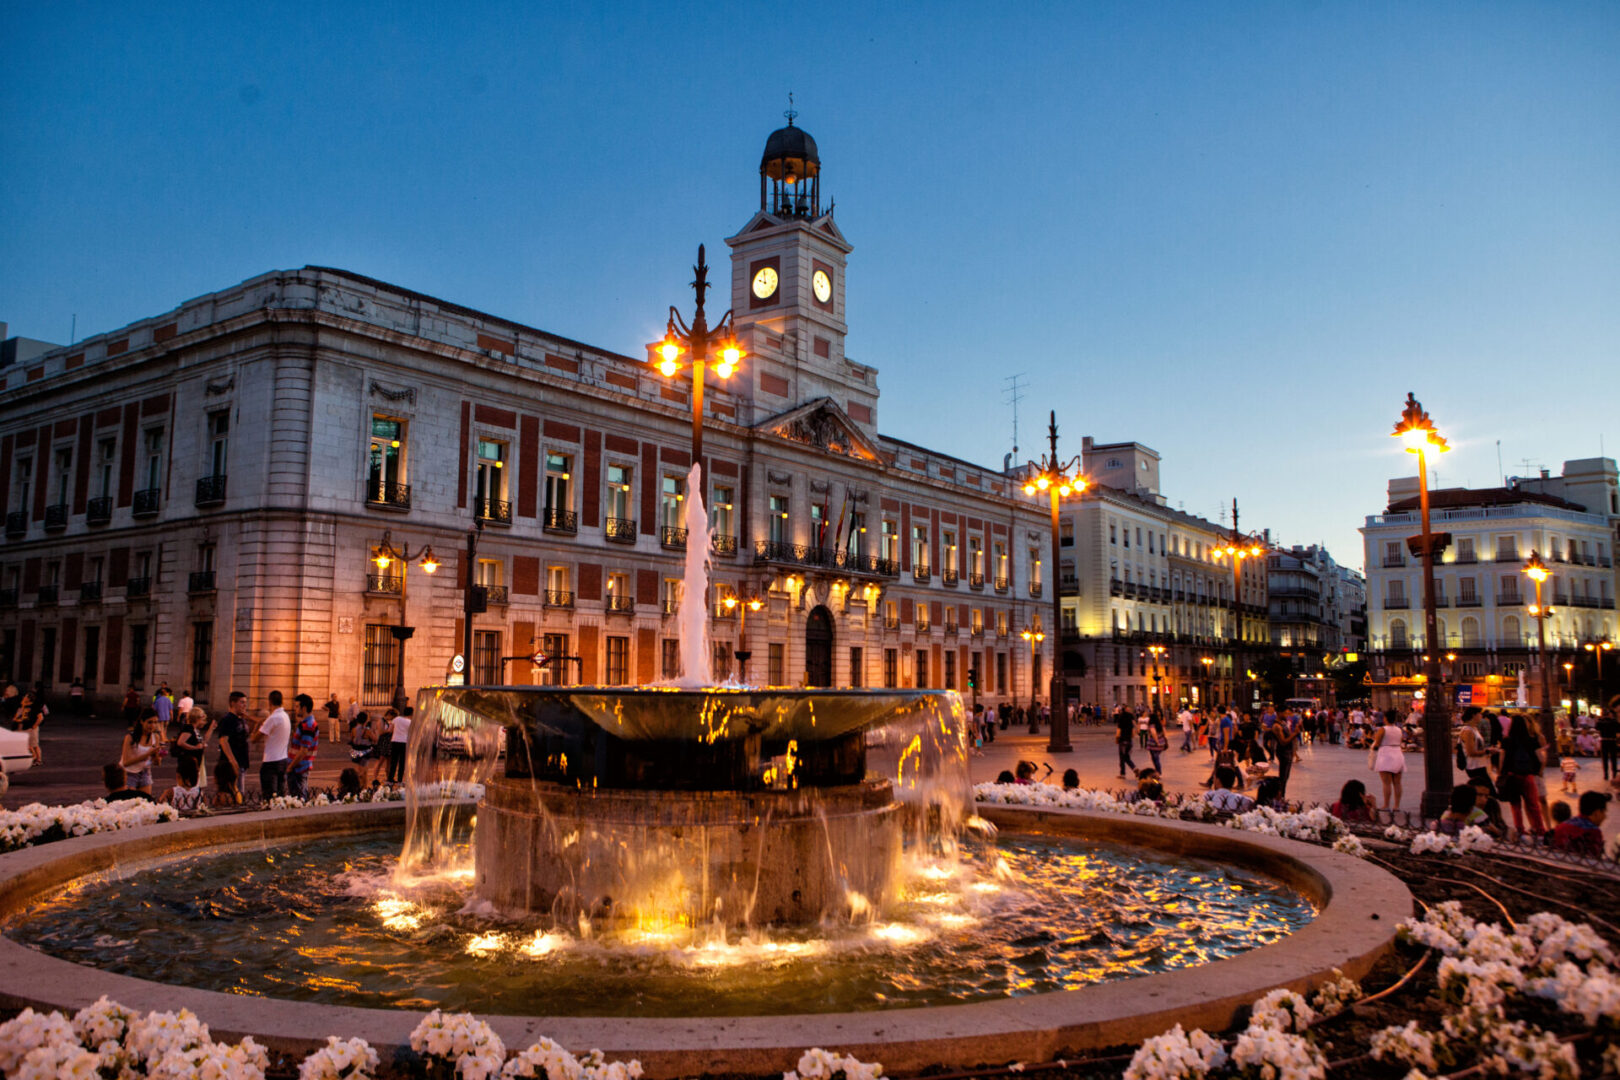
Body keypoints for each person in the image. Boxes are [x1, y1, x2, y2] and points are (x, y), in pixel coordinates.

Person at [1497, 713, 1549, 838]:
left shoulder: (1506, 740)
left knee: (1515, 805)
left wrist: (1501, 773)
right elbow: (1541, 759)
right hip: (1527, 775)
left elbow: (1502, 759)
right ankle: (1540, 830)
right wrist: (1539, 771)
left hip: (1511, 775)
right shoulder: (1531, 740)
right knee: (1533, 804)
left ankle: (1520, 830)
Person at [119, 708, 165, 795]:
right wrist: (147, 754)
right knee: (130, 803)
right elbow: (126, 762)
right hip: (129, 773)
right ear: (142, 721)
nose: (153, 726)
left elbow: (157, 763)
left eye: (156, 722)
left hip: (145, 772)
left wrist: (157, 756)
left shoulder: (156, 737)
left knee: (146, 801)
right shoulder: (130, 737)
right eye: (149, 722)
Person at [1549, 791, 1609, 856]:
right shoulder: (1594, 832)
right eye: (1603, 812)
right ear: (1596, 813)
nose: (1605, 817)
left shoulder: (1562, 826)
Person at [254, 690, 291, 799]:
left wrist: (256, 726)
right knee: (280, 795)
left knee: (269, 795)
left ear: (269, 702)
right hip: (283, 759)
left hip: (270, 761)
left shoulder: (273, 718)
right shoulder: (285, 716)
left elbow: (255, 739)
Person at [1371, 709, 1406, 811]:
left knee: (1386, 782)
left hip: (1386, 754)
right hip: (1397, 752)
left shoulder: (1383, 729)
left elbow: (1377, 743)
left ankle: (1386, 805)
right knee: (1397, 782)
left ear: (1385, 718)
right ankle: (1397, 806)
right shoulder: (1399, 729)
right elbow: (1400, 741)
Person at [287, 693, 320, 799]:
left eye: (297, 706)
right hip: (299, 767)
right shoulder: (306, 724)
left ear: (304, 708)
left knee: (298, 799)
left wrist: (290, 766)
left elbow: (303, 750)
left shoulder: (308, 725)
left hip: (299, 768)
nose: (295, 709)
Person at [172, 706, 211, 791]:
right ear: (197, 718)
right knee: (187, 784)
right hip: (188, 761)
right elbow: (180, 742)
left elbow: (202, 741)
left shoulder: (195, 730)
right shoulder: (188, 729)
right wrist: (194, 747)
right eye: (202, 719)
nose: (204, 722)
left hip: (195, 761)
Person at [1458, 711, 1495, 795]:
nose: (1481, 716)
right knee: (1488, 792)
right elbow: (1470, 752)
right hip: (1474, 766)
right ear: (1474, 715)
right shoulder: (1468, 731)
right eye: (1479, 713)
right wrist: (1487, 751)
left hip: (1479, 765)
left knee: (1484, 792)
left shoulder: (1474, 729)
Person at [13, 690, 46, 765]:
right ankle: (34, 758)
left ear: (29, 698)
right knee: (27, 744)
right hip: (24, 727)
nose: (24, 697)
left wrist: (34, 726)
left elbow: (40, 717)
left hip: (31, 728)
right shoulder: (23, 706)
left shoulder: (34, 707)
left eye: (25, 696)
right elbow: (19, 716)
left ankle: (38, 759)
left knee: (34, 744)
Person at [1273, 709, 1300, 798]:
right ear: (1279, 713)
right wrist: (1295, 733)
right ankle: (1280, 797)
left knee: (1285, 777)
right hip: (1283, 752)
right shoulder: (1277, 726)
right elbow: (1283, 742)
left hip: (1288, 752)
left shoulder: (1283, 723)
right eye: (1285, 713)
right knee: (1283, 777)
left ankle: (1282, 796)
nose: (1287, 715)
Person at [387, 705, 412, 784]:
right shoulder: (410, 722)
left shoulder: (396, 719)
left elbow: (390, 730)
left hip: (395, 741)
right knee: (402, 762)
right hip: (404, 742)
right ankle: (400, 779)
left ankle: (390, 778)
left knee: (393, 761)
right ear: (411, 714)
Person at [1114, 706, 1137, 778]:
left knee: (1122, 758)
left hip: (1122, 741)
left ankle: (1123, 773)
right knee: (1126, 757)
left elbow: (1118, 732)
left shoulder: (1120, 720)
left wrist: (1117, 739)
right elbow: (1133, 733)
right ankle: (1134, 769)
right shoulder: (1130, 721)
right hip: (1129, 741)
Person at [1599, 708, 1620, 782]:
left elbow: (1597, 727)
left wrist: (1601, 719)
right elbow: (1618, 729)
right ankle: (1613, 773)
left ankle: (1606, 774)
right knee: (1613, 758)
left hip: (1605, 741)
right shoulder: (1614, 722)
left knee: (1605, 759)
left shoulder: (1601, 722)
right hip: (1611, 741)